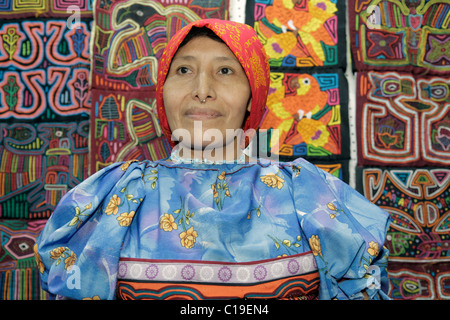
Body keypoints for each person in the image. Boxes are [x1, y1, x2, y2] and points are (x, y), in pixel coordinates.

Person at [34, 19, 391, 300]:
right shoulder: (112, 198)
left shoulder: (309, 195)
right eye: (184, 70)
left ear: (254, 95)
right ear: (163, 90)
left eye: (225, 71)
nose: (202, 89)